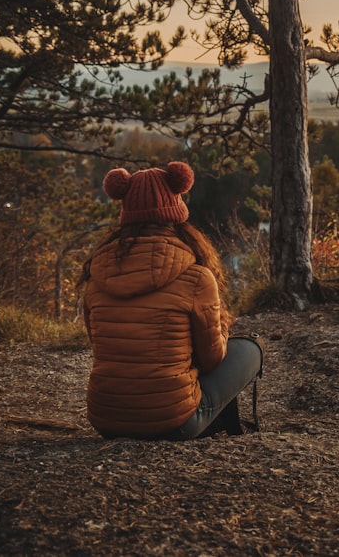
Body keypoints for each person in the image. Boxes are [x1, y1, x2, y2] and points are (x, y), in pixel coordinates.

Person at [79, 161, 263, 440]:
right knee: (251, 350)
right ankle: (216, 420)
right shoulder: (196, 277)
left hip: (105, 420)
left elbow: (100, 344)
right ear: (176, 211)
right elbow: (212, 360)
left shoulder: (96, 275)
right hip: (172, 423)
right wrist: (222, 328)